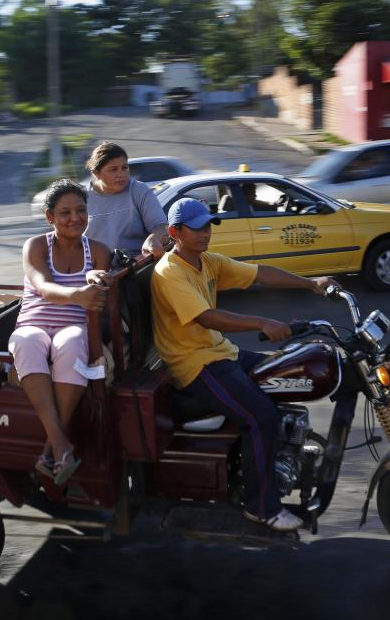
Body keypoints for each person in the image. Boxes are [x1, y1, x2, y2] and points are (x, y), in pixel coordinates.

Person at [150, 197, 335, 532]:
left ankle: (275, 462)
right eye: (197, 228)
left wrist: (312, 284)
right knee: (259, 416)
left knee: (285, 373)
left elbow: (259, 274)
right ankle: (261, 507)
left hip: (221, 352)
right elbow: (207, 317)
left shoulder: (205, 262)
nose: (205, 233)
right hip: (193, 364)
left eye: (208, 226)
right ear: (175, 232)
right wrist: (262, 323)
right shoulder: (169, 272)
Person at [8, 179, 112, 485]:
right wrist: (77, 294)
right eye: (65, 212)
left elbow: (102, 294)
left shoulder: (99, 251)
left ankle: (52, 447)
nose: (75, 218)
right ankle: (60, 443)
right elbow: (41, 285)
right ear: (49, 217)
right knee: (27, 341)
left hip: (73, 326)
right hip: (34, 323)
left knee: (73, 342)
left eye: (81, 210)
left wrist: (95, 280)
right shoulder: (36, 245)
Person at [84, 141, 169, 258]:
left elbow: (162, 227)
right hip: (96, 271)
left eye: (124, 168)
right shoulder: (81, 199)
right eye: (113, 170)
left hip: (137, 267)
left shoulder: (139, 191)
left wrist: (154, 238)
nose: (121, 174)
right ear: (96, 173)